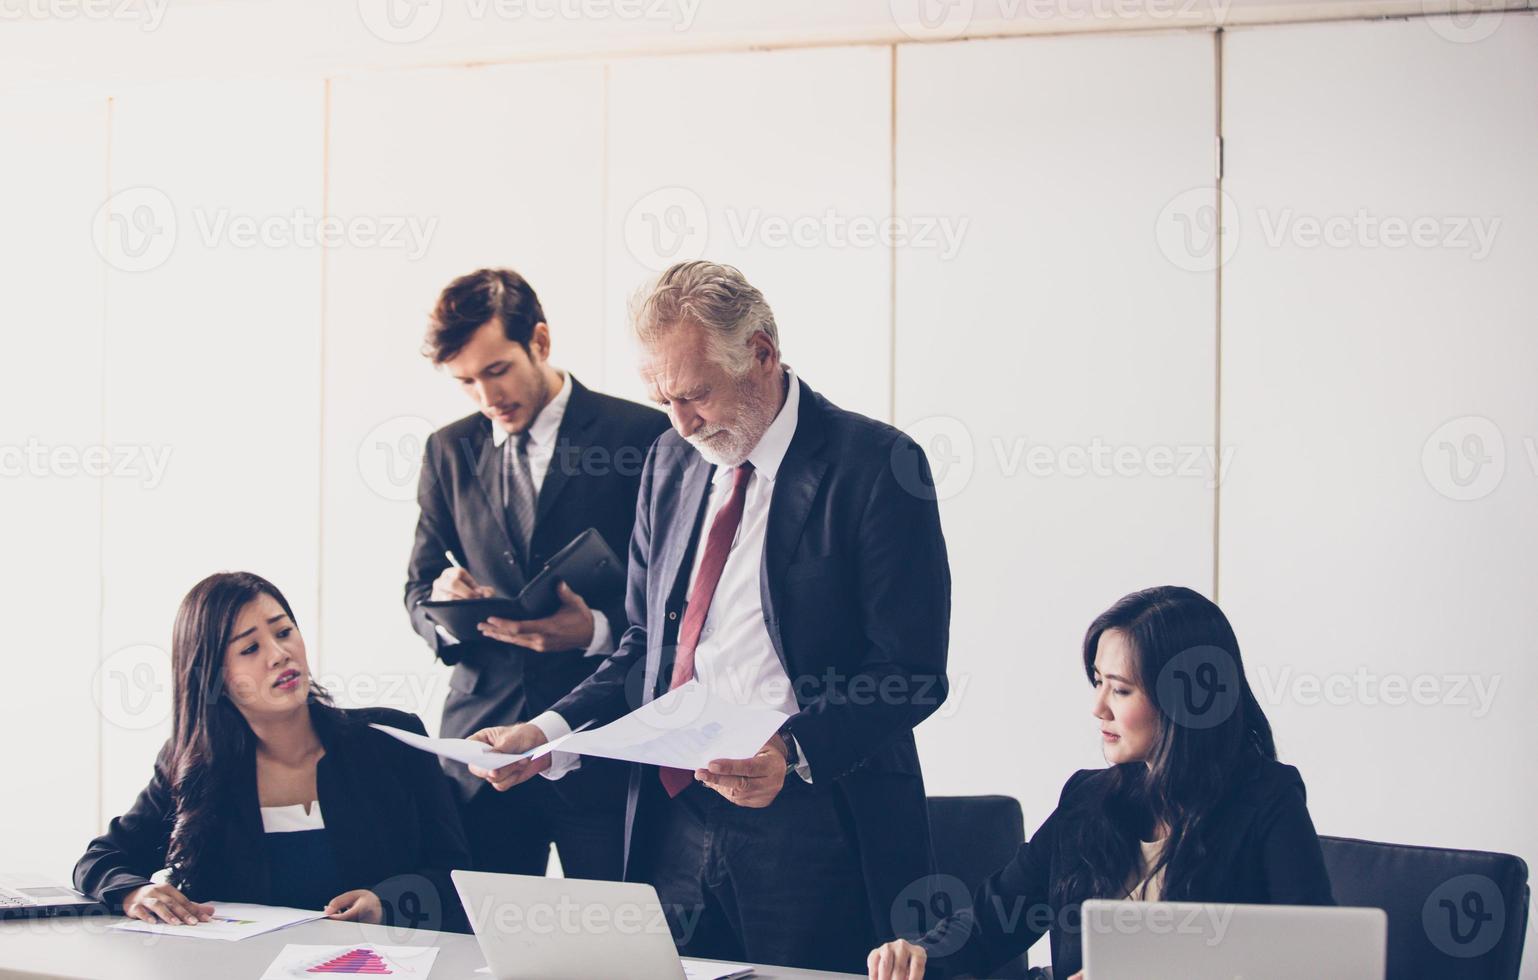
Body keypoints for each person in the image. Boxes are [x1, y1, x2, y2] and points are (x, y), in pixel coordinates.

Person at [465, 260, 953, 975]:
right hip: (673, 813)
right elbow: (644, 646)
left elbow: (911, 672)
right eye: (661, 398)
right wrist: (549, 731)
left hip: (811, 820)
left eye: (694, 395)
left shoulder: (875, 465)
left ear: (761, 353)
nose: (680, 422)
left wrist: (790, 751)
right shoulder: (671, 459)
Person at [866, 585, 1335, 980]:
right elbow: (992, 919)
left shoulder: (1268, 801)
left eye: (1122, 689)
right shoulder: (1087, 800)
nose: (1099, 707)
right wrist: (924, 952)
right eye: (1097, 682)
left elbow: (1317, 962)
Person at [404, 268, 669, 880]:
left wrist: (595, 631)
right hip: (481, 750)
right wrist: (444, 608)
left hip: (600, 741)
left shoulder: (643, 435)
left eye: (496, 371)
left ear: (540, 343)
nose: (486, 398)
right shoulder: (447, 450)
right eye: (466, 382)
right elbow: (417, 587)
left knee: (616, 947)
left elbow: (673, 597)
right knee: (479, 950)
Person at [74, 572, 471, 932]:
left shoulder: (392, 739)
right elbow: (101, 860)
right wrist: (133, 893)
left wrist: (386, 905)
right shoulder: (192, 764)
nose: (280, 654)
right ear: (214, 676)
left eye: (283, 632)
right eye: (249, 649)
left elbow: (457, 874)